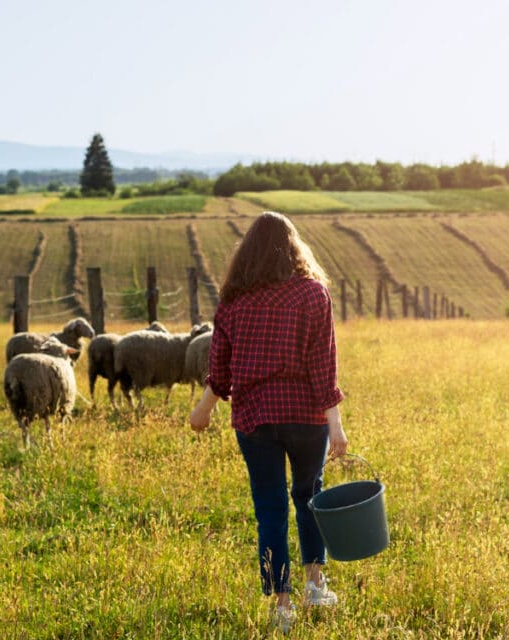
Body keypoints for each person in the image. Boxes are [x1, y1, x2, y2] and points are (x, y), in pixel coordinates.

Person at [189, 211, 349, 632]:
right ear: (295, 247)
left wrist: (203, 409)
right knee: (309, 496)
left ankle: (282, 605)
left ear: (247, 252)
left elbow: (220, 370)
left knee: (270, 509)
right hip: (305, 417)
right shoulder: (314, 295)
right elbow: (322, 366)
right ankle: (315, 584)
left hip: (255, 420)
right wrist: (335, 424)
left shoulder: (234, 301)